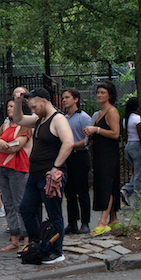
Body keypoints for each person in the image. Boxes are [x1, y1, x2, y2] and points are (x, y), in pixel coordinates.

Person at [14, 87, 74, 265]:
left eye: (34, 106)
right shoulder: (40, 119)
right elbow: (18, 119)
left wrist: (56, 166)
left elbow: (69, 142)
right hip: (35, 174)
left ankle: (56, 251)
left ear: (44, 101)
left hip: (49, 176)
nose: (33, 110)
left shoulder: (58, 119)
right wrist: (18, 102)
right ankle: (37, 243)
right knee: (26, 208)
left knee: (54, 213)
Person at [83, 82, 121, 236]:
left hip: (108, 155)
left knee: (107, 185)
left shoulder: (111, 111)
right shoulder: (99, 112)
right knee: (103, 184)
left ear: (110, 95)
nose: (99, 95)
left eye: (103, 93)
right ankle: (113, 219)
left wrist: (96, 129)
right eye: (98, 92)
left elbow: (115, 133)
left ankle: (102, 221)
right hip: (99, 154)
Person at [0, 99, 31, 252]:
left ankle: (27, 238)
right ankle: (14, 238)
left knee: (20, 204)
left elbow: (16, 145)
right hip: (3, 167)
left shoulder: (26, 125)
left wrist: (0, 144)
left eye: (13, 106)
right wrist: (0, 144)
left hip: (18, 167)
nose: (9, 109)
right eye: (8, 106)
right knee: (8, 204)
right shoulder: (5, 124)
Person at [61, 88, 92, 235]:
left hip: (79, 155)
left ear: (76, 99)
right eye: (63, 98)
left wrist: (72, 145)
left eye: (67, 97)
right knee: (69, 191)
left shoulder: (83, 117)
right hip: (67, 157)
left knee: (82, 190)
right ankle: (72, 222)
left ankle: (85, 222)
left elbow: (87, 140)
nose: (64, 100)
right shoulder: (63, 118)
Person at [121, 97, 141, 210]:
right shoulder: (137, 119)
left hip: (129, 145)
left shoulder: (126, 119)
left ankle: (127, 189)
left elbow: (125, 134)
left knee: (138, 172)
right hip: (138, 146)